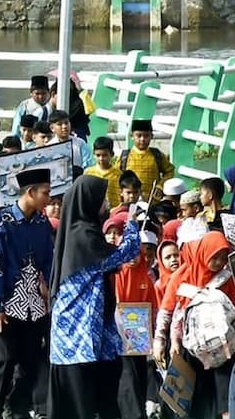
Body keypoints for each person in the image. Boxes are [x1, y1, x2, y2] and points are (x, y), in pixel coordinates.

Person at [48, 175, 141, 419]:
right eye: (102, 198)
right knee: (81, 397)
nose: (107, 203)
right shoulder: (84, 235)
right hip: (77, 330)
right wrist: (132, 226)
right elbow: (122, 255)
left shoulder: (81, 231)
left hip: (85, 327)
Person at [0, 168, 56, 419]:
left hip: (34, 302)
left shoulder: (42, 223)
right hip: (6, 300)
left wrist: (53, 289)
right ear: (31, 192)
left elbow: (49, 261)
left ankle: (18, 406)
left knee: (30, 359)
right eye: (45, 193)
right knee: (4, 359)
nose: (49, 198)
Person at [153, 232, 235, 419]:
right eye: (215, 257)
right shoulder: (182, 276)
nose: (219, 262)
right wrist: (160, 340)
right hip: (191, 347)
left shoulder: (226, 278)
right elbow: (167, 312)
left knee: (224, 398)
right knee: (193, 400)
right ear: (204, 252)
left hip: (223, 347)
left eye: (223, 258)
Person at [113, 229, 160, 419]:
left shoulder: (145, 276)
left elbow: (152, 304)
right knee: (127, 372)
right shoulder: (117, 274)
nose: (133, 258)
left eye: (136, 253)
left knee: (140, 371)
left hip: (140, 333)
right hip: (120, 333)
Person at [120, 119, 176, 202]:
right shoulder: (125, 156)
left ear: (151, 136)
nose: (142, 139)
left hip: (152, 201)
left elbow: (170, 171)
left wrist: (160, 186)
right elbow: (117, 176)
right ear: (132, 136)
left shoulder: (157, 155)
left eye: (146, 136)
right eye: (139, 136)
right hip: (130, 200)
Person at [84, 137, 122, 210]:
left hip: (114, 211)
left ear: (112, 154)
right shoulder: (88, 173)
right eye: (98, 155)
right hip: (93, 212)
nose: (101, 158)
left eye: (104, 155)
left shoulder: (118, 174)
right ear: (93, 154)